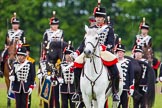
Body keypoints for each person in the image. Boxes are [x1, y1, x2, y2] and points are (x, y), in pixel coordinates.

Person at [71, 6, 119, 102]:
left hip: (104, 52)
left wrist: (104, 47)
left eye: (100, 17)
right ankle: (77, 92)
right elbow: (84, 43)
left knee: (115, 71)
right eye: (97, 17)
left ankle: (115, 92)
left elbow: (111, 43)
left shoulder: (108, 29)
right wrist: (77, 52)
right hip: (90, 52)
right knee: (76, 68)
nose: (98, 19)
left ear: (104, 18)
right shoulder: (90, 29)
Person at [115, 43, 134, 108]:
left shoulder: (128, 62)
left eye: (121, 52)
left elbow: (131, 75)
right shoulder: (114, 62)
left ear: (123, 53)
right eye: (118, 52)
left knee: (125, 105)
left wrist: (131, 86)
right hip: (116, 89)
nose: (119, 53)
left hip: (125, 88)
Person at [22, 43, 36, 108]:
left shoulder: (32, 61)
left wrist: (33, 81)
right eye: (25, 52)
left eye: (27, 52)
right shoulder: (19, 60)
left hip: (28, 81)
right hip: (20, 80)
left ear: (29, 52)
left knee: (28, 98)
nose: (26, 53)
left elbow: (33, 73)